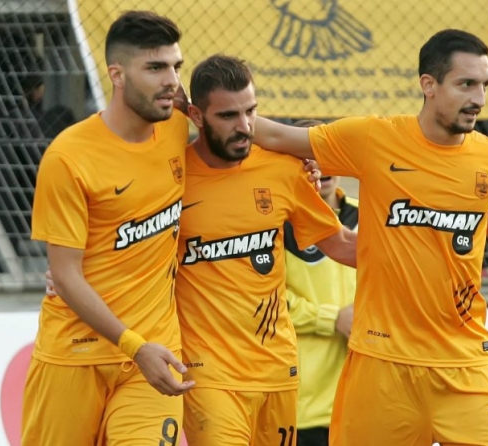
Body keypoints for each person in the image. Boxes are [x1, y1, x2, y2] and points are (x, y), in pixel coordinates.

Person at [253, 29, 488, 445]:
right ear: (428, 85)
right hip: (382, 365)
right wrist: (196, 107)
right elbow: (277, 137)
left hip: (464, 365)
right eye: (466, 84)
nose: (479, 99)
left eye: (485, 85)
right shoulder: (375, 139)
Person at [24, 11, 194, 446]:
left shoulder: (177, 125)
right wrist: (133, 344)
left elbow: (240, 128)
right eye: (155, 68)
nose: (171, 80)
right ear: (117, 75)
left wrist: (306, 163)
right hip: (75, 354)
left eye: (176, 66)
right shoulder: (68, 158)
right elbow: (65, 276)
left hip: (154, 356)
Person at [177, 54, 357, 446]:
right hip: (208, 373)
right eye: (228, 116)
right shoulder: (171, 177)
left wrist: (424, 248)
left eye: (251, 111)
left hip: (277, 370)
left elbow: (342, 245)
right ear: (196, 115)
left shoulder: (282, 170)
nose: (244, 126)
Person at [283, 120, 358, 446]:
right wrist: (332, 319)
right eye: (306, 157)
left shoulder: (371, 215)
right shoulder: (278, 225)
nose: (318, 165)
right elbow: (265, 301)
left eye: (326, 155)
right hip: (306, 405)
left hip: (365, 399)